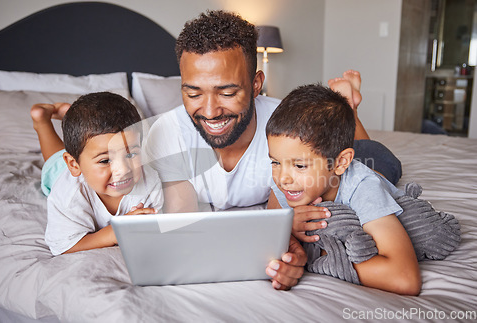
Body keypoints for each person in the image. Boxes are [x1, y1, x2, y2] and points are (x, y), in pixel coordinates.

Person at [145, 10, 402, 290]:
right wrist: (290, 248)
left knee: (373, 168)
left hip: (362, 156)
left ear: (256, 85)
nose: (209, 111)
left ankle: (350, 109)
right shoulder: (167, 134)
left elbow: (296, 207)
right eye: (193, 93)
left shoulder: (283, 129)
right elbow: (185, 222)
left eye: (227, 93)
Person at [266, 83, 421, 295]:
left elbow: (405, 279)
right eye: (274, 162)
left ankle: (352, 108)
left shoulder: (364, 187)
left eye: (299, 165)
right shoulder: (287, 180)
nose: (282, 179)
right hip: (341, 156)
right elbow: (268, 232)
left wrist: (321, 256)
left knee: (370, 149)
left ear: (341, 163)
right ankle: (349, 108)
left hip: (378, 161)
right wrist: (288, 230)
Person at [30, 92, 163, 256]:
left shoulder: (150, 180)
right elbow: (64, 247)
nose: (123, 170)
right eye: (105, 161)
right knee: (54, 157)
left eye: (130, 154)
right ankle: (42, 120)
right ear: (73, 164)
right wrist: (115, 232)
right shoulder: (68, 195)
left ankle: (74, 120)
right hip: (61, 172)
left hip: (87, 155)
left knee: (83, 143)